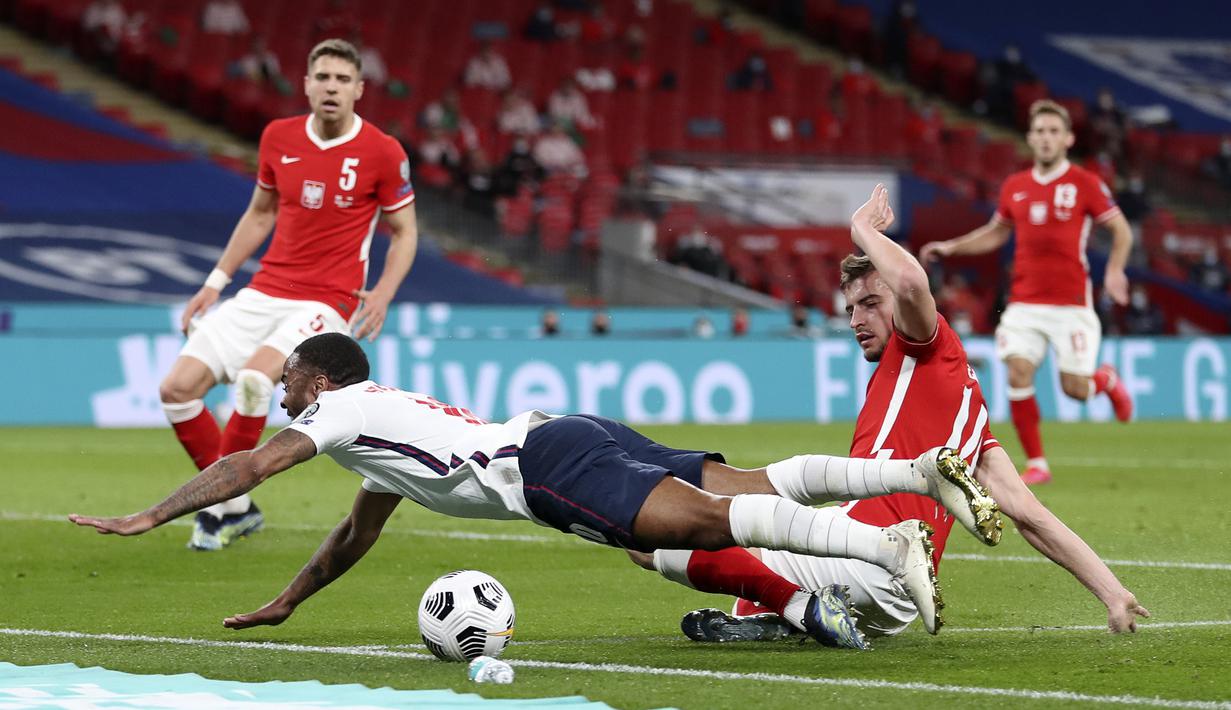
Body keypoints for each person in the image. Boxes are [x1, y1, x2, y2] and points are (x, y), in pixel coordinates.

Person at [72, 332, 1003, 649]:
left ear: (319, 380)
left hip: (545, 468)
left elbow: (249, 467)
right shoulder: (379, 431)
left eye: (288, 385)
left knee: (703, 523)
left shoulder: (341, 409)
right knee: (744, 482)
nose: (280, 397)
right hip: (565, 429)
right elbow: (355, 534)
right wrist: (286, 600)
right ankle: (913, 478)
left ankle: (883, 545)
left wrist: (151, 514)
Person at [639, 184, 1149, 646]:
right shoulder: (971, 417)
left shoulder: (924, 348)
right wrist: (1113, 593)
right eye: (850, 310)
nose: (857, 320)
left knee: (651, 535)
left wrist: (861, 229)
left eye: (869, 303)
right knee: (789, 531)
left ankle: (795, 611)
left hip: (870, 557)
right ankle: (780, 619)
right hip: (902, 597)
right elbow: (1031, 518)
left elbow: (908, 283)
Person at [157, 39, 418, 551]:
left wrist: (383, 293)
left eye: (343, 80)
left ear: (359, 90)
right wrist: (214, 283)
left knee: (257, 378)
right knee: (177, 389)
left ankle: (217, 508)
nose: (331, 87)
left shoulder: (383, 151)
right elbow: (259, 213)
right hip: (265, 289)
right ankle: (233, 507)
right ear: (306, 84)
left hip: (327, 300)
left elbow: (405, 231)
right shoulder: (278, 137)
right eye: (322, 77)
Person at [921, 99, 1135, 485]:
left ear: (1068, 138)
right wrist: (952, 247)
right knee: (1017, 371)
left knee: (1075, 390)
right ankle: (1037, 462)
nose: (1046, 138)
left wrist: (1116, 270)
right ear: (1030, 138)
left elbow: (1121, 230)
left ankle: (1104, 381)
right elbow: (997, 231)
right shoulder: (1016, 186)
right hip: (1024, 302)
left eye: (1054, 131)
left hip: (1072, 304)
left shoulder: (1085, 183)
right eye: (1039, 131)